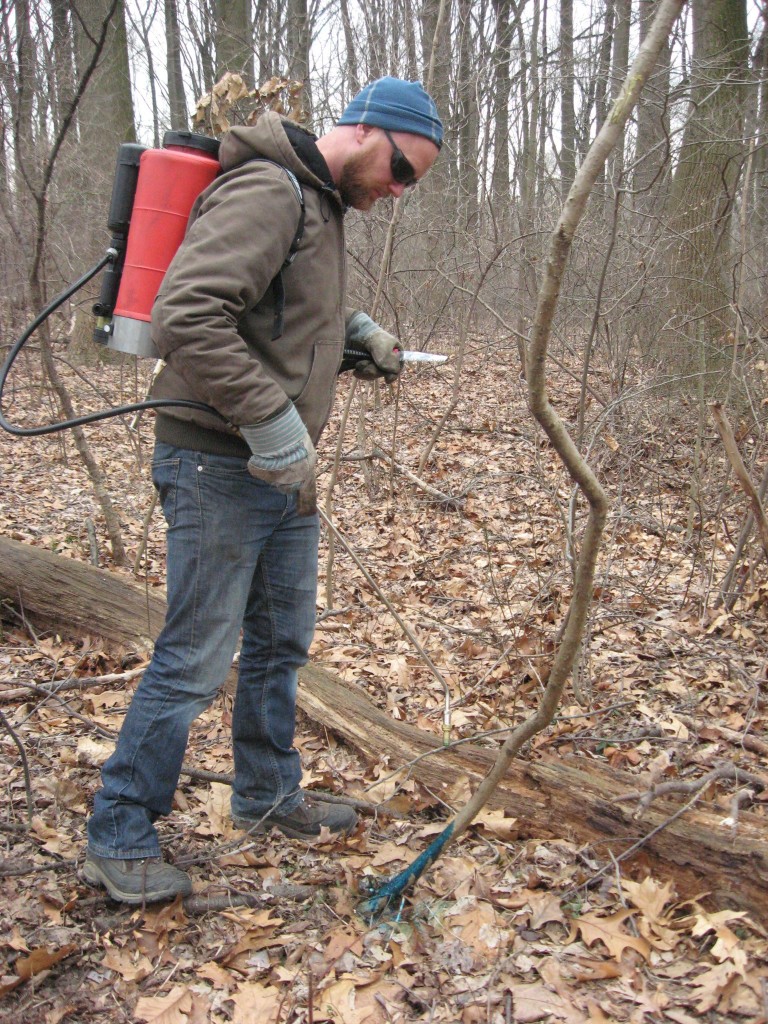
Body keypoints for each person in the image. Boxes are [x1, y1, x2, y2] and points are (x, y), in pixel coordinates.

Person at [82, 77, 443, 904]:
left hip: (279, 470)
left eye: (410, 181)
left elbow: (273, 311)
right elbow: (189, 313)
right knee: (194, 658)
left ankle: (267, 794)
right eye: (400, 169)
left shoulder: (320, 204)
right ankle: (119, 830)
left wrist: (355, 335)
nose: (398, 190)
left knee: (282, 641)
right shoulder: (270, 188)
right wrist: (273, 420)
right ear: (363, 130)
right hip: (218, 461)